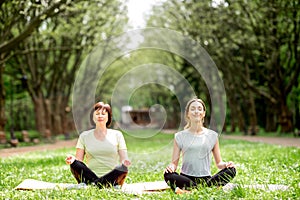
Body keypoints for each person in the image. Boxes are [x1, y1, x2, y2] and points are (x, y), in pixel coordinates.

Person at [164, 98, 236, 194]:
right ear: (188, 114)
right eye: (193, 109)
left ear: (203, 113)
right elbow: (174, 164)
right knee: (168, 175)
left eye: (199, 108)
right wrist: (171, 167)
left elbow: (219, 163)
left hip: (206, 179)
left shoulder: (213, 136)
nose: (196, 111)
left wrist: (227, 165)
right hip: (186, 178)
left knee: (232, 170)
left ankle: (189, 191)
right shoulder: (179, 136)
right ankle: (206, 190)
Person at [65, 101, 131, 188]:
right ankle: (102, 185)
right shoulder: (84, 136)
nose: (100, 116)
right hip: (88, 176)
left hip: (111, 176)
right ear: (93, 117)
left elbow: (124, 159)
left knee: (122, 168)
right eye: (97, 114)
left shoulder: (117, 135)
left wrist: (126, 162)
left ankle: (92, 185)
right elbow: (79, 162)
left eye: (103, 114)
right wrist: (72, 159)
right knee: (74, 163)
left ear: (108, 117)